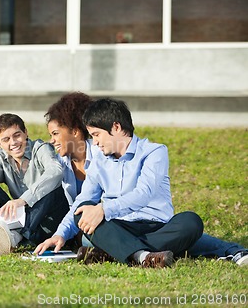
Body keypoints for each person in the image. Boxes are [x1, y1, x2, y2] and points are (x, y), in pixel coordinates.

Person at [35, 93, 248, 266]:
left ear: (116, 128)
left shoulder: (154, 152)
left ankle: (118, 253)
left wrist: (104, 209)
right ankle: (143, 257)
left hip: (158, 226)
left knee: (191, 223)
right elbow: (84, 199)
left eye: (97, 135)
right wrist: (60, 235)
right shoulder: (100, 161)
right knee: (81, 215)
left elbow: (142, 194)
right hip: (120, 227)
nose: (95, 142)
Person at [0, 113, 69, 255]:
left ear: (25, 133)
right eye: (6, 139)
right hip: (21, 219)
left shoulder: (40, 148)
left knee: (51, 189)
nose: (13, 142)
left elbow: (56, 171)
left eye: (17, 135)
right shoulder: (1, 158)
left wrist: (23, 200)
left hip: (47, 223)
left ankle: (15, 237)